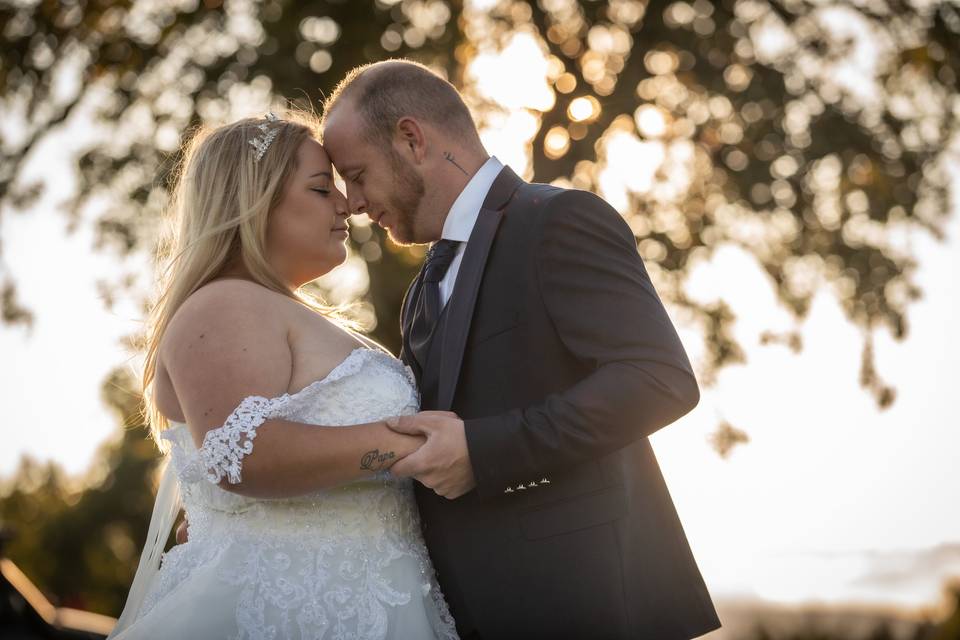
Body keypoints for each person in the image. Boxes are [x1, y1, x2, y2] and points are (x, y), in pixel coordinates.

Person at [320, 60, 722, 639]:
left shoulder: (558, 220)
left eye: (357, 175)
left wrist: (484, 451)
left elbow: (659, 379)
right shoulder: (421, 291)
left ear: (411, 139)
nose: (353, 202)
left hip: (589, 602)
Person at [109, 110, 458, 639]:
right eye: (321, 189)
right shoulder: (223, 305)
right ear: (255, 201)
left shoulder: (275, 310)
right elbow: (240, 452)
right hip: (283, 614)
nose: (346, 204)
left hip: (363, 604)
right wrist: (414, 444)